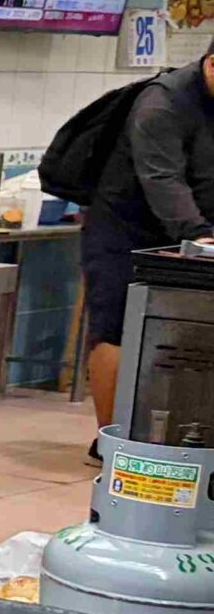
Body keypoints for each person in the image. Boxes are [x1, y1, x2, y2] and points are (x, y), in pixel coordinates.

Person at [83, 36, 214, 448]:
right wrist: (200, 236)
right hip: (126, 229)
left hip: (192, 225)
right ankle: (109, 443)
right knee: (116, 327)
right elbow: (161, 178)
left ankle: (177, 439)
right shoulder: (162, 103)